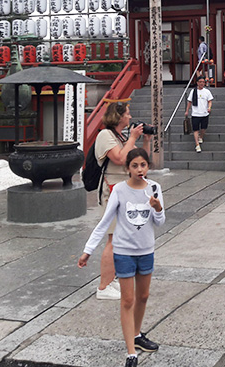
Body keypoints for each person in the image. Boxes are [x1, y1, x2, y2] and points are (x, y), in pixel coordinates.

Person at [78, 148, 165, 367]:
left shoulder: (154, 188)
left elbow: (160, 222)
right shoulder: (118, 190)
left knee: (143, 296)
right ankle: (131, 353)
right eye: (134, 166)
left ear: (148, 167)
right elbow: (105, 222)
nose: (139, 170)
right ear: (127, 168)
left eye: (143, 165)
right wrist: (88, 250)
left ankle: (136, 335)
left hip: (146, 250)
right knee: (128, 300)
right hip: (124, 251)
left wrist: (157, 208)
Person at [93, 101, 152, 300]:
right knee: (112, 239)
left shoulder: (120, 136)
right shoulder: (105, 135)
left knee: (120, 239)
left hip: (125, 191)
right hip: (111, 191)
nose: (129, 117)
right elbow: (119, 158)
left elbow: (138, 160)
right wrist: (133, 137)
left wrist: (145, 141)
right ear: (118, 117)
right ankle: (103, 287)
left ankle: (113, 279)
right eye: (127, 114)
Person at [185, 75, 213, 153]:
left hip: (204, 113)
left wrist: (209, 108)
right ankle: (197, 145)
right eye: (200, 82)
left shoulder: (207, 91)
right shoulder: (193, 91)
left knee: (203, 128)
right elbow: (189, 102)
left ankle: (201, 136)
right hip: (195, 114)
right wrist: (187, 111)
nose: (201, 83)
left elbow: (210, 101)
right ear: (197, 83)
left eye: (203, 82)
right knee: (195, 129)